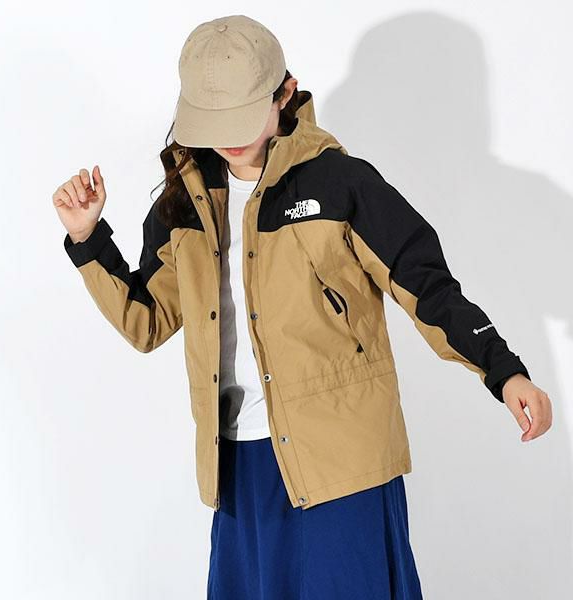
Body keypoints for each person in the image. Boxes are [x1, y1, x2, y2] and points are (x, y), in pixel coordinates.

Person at [53, 14, 553, 600]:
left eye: (243, 114)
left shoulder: (339, 183)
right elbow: (147, 321)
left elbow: (426, 285)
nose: (229, 136)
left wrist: (503, 370)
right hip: (238, 466)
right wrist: (88, 239)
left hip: (342, 462)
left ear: (284, 93)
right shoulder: (186, 201)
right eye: (216, 119)